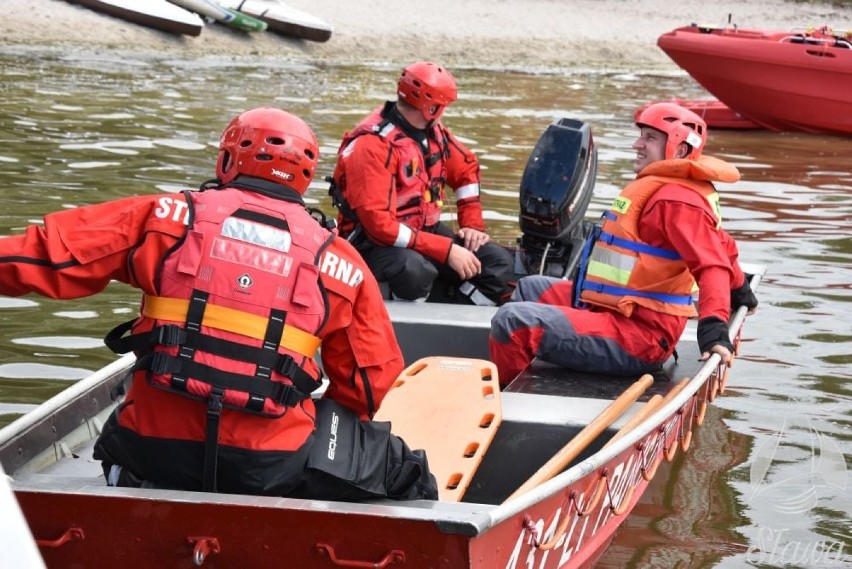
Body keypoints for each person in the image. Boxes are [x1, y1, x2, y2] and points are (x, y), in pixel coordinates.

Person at [0, 107, 438, 501]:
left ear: (227, 160)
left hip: (153, 451)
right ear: (305, 177)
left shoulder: (166, 218)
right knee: (408, 470)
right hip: (271, 467)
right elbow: (369, 387)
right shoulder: (339, 259)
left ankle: (124, 484)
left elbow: (43, 257)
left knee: (126, 416)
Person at [489, 102, 758, 385]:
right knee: (530, 286)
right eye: (641, 135)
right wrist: (740, 290)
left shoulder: (676, 201)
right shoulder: (668, 189)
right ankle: (530, 379)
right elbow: (722, 245)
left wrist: (714, 330)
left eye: (650, 138)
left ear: (679, 150)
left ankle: (504, 402)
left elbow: (712, 265)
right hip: (618, 309)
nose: (637, 144)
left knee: (512, 321)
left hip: (641, 336)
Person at [329, 61, 514, 306]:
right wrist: (445, 250)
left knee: (497, 264)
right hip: (372, 242)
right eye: (443, 107)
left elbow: (466, 170)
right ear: (431, 108)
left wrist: (472, 225)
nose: (444, 113)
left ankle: (453, 315)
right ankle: (406, 320)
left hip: (423, 229)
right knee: (414, 271)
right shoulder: (371, 146)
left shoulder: (434, 133)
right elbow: (379, 226)